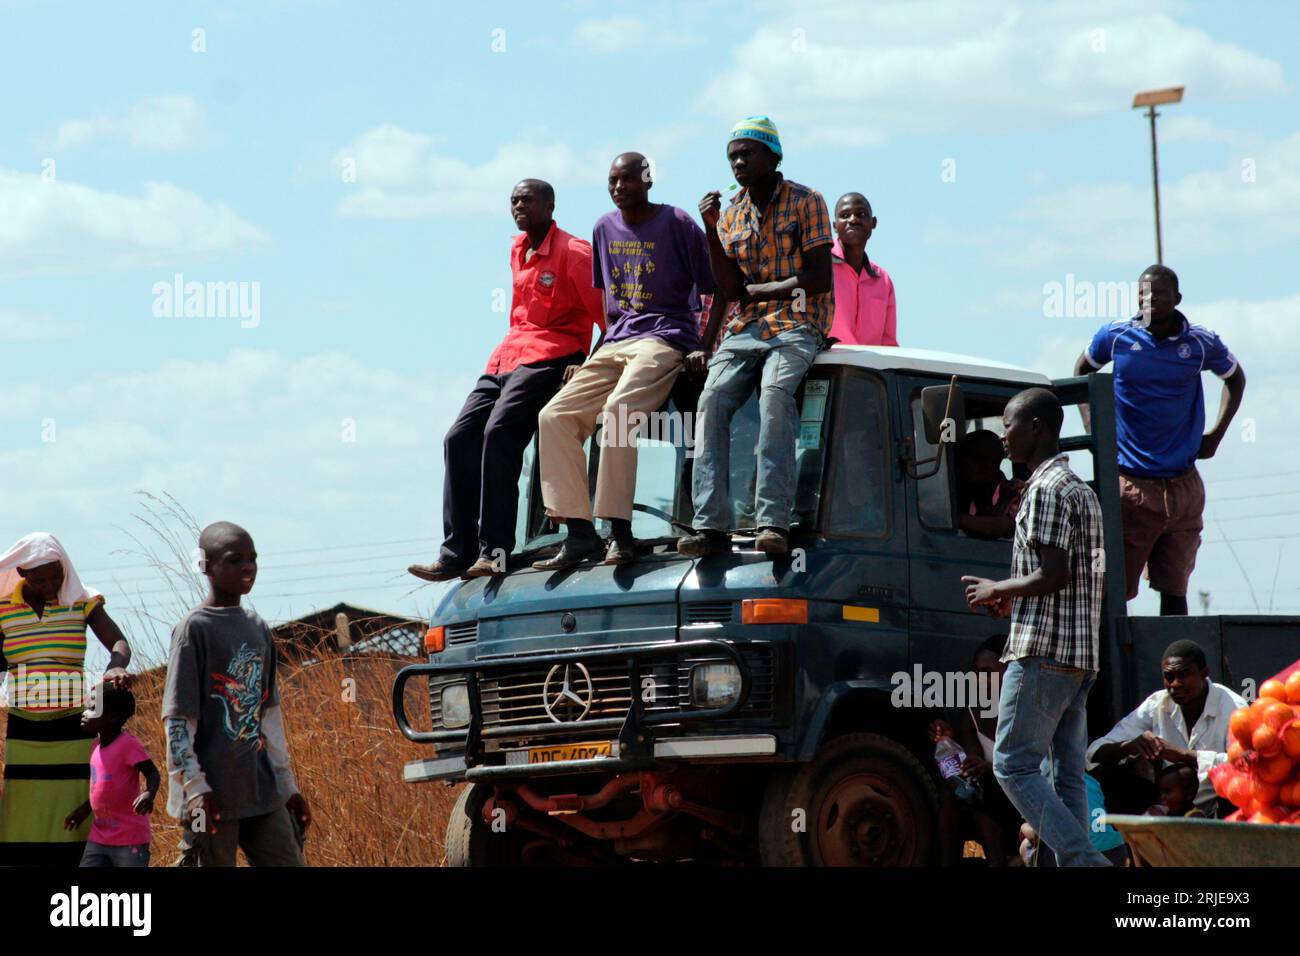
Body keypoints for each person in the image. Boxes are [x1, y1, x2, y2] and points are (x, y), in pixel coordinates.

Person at [409, 179, 606, 582]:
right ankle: (456, 553)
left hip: (552, 357)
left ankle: (494, 552)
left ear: (550, 205)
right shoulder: (517, 248)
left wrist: (587, 364)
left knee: (498, 434)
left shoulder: (575, 252)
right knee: (458, 438)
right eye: (514, 200)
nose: (518, 205)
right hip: (506, 358)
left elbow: (611, 318)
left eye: (527, 199)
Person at [533, 152, 716, 569]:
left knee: (619, 412)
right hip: (616, 340)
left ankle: (619, 531)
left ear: (648, 181)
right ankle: (579, 534)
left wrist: (702, 344)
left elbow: (714, 287)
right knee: (554, 415)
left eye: (627, 180)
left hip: (666, 336)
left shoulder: (678, 222)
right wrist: (594, 355)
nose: (618, 188)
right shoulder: (603, 227)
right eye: (612, 181)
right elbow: (611, 309)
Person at [960, 388, 1109, 866]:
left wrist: (997, 589)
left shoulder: (1043, 489)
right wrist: (1014, 600)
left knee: (1012, 766)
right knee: (1066, 774)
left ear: (1037, 427)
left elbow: (1053, 573)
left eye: (1008, 425)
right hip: (1079, 656)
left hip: (1042, 653)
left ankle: (1086, 861)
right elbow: (1068, 581)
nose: (1003, 437)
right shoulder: (1079, 489)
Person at [679, 116, 834, 558]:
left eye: (748, 153)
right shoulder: (731, 214)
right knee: (711, 401)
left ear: (773, 156)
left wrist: (764, 290)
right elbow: (730, 290)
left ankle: (773, 521)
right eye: (733, 156)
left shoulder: (807, 201)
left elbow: (820, 278)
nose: (739, 162)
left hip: (799, 321)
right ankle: (709, 525)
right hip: (747, 326)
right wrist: (710, 226)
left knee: (774, 396)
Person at [1073, 264, 1246, 615]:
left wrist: (1215, 436)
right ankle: (1112, 667)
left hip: (1183, 483)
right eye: (1143, 295)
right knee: (1113, 588)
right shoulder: (1116, 336)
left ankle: (1176, 669)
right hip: (1130, 483)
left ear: (1177, 298)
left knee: (1175, 589)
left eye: (1159, 294)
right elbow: (1082, 370)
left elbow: (1235, 378)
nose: (1149, 301)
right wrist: (1096, 428)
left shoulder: (1199, 342)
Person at [163, 521, 311, 866]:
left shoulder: (256, 627)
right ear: (207, 566)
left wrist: (287, 787)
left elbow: (268, 715)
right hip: (208, 798)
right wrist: (196, 789)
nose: (247, 567)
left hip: (261, 791)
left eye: (252, 558)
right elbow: (178, 720)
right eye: (234, 559)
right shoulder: (193, 630)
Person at [0, 532, 132, 866]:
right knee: (25, 810)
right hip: (24, 730)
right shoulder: (3, 609)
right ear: (23, 575)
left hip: (75, 729)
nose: (50, 584)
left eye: (56, 576)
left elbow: (118, 642)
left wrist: (115, 667)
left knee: (76, 810)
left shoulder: (82, 600)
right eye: (40, 579)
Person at [1087, 639, 1245, 816]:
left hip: (1218, 807)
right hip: (1169, 805)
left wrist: (1183, 755)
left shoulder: (1234, 708)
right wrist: (1129, 746)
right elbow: (1093, 754)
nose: (1175, 684)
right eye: (1169, 677)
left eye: (1184, 675)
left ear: (1204, 673)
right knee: (1108, 774)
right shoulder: (1157, 703)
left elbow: (1246, 766)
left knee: (1237, 783)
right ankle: (1128, 840)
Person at [927, 635, 1023, 866]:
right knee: (955, 795)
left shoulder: (1025, 713)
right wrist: (949, 741)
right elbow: (973, 757)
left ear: (1008, 672)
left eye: (987, 671)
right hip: (992, 802)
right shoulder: (972, 715)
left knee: (985, 793)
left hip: (1022, 805)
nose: (980, 679)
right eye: (976, 671)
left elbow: (1033, 768)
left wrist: (988, 769)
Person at [64, 683, 159, 867]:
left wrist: (149, 793)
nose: (84, 713)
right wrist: (84, 810)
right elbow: (100, 788)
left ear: (112, 717)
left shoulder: (127, 744)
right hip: (99, 837)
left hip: (129, 839)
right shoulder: (95, 747)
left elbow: (152, 772)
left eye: (92, 708)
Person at [828, 192, 897, 346]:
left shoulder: (883, 280)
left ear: (873, 223)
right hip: (825, 365)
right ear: (835, 226)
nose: (853, 220)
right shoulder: (820, 265)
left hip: (868, 368)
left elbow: (888, 342)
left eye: (861, 214)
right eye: (845, 215)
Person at [955, 429, 1022, 539]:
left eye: (963, 465)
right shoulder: (964, 494)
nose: (959, 470)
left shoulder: (1016, 491)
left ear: (987, 466)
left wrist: (955, 518)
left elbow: (1004, 526)